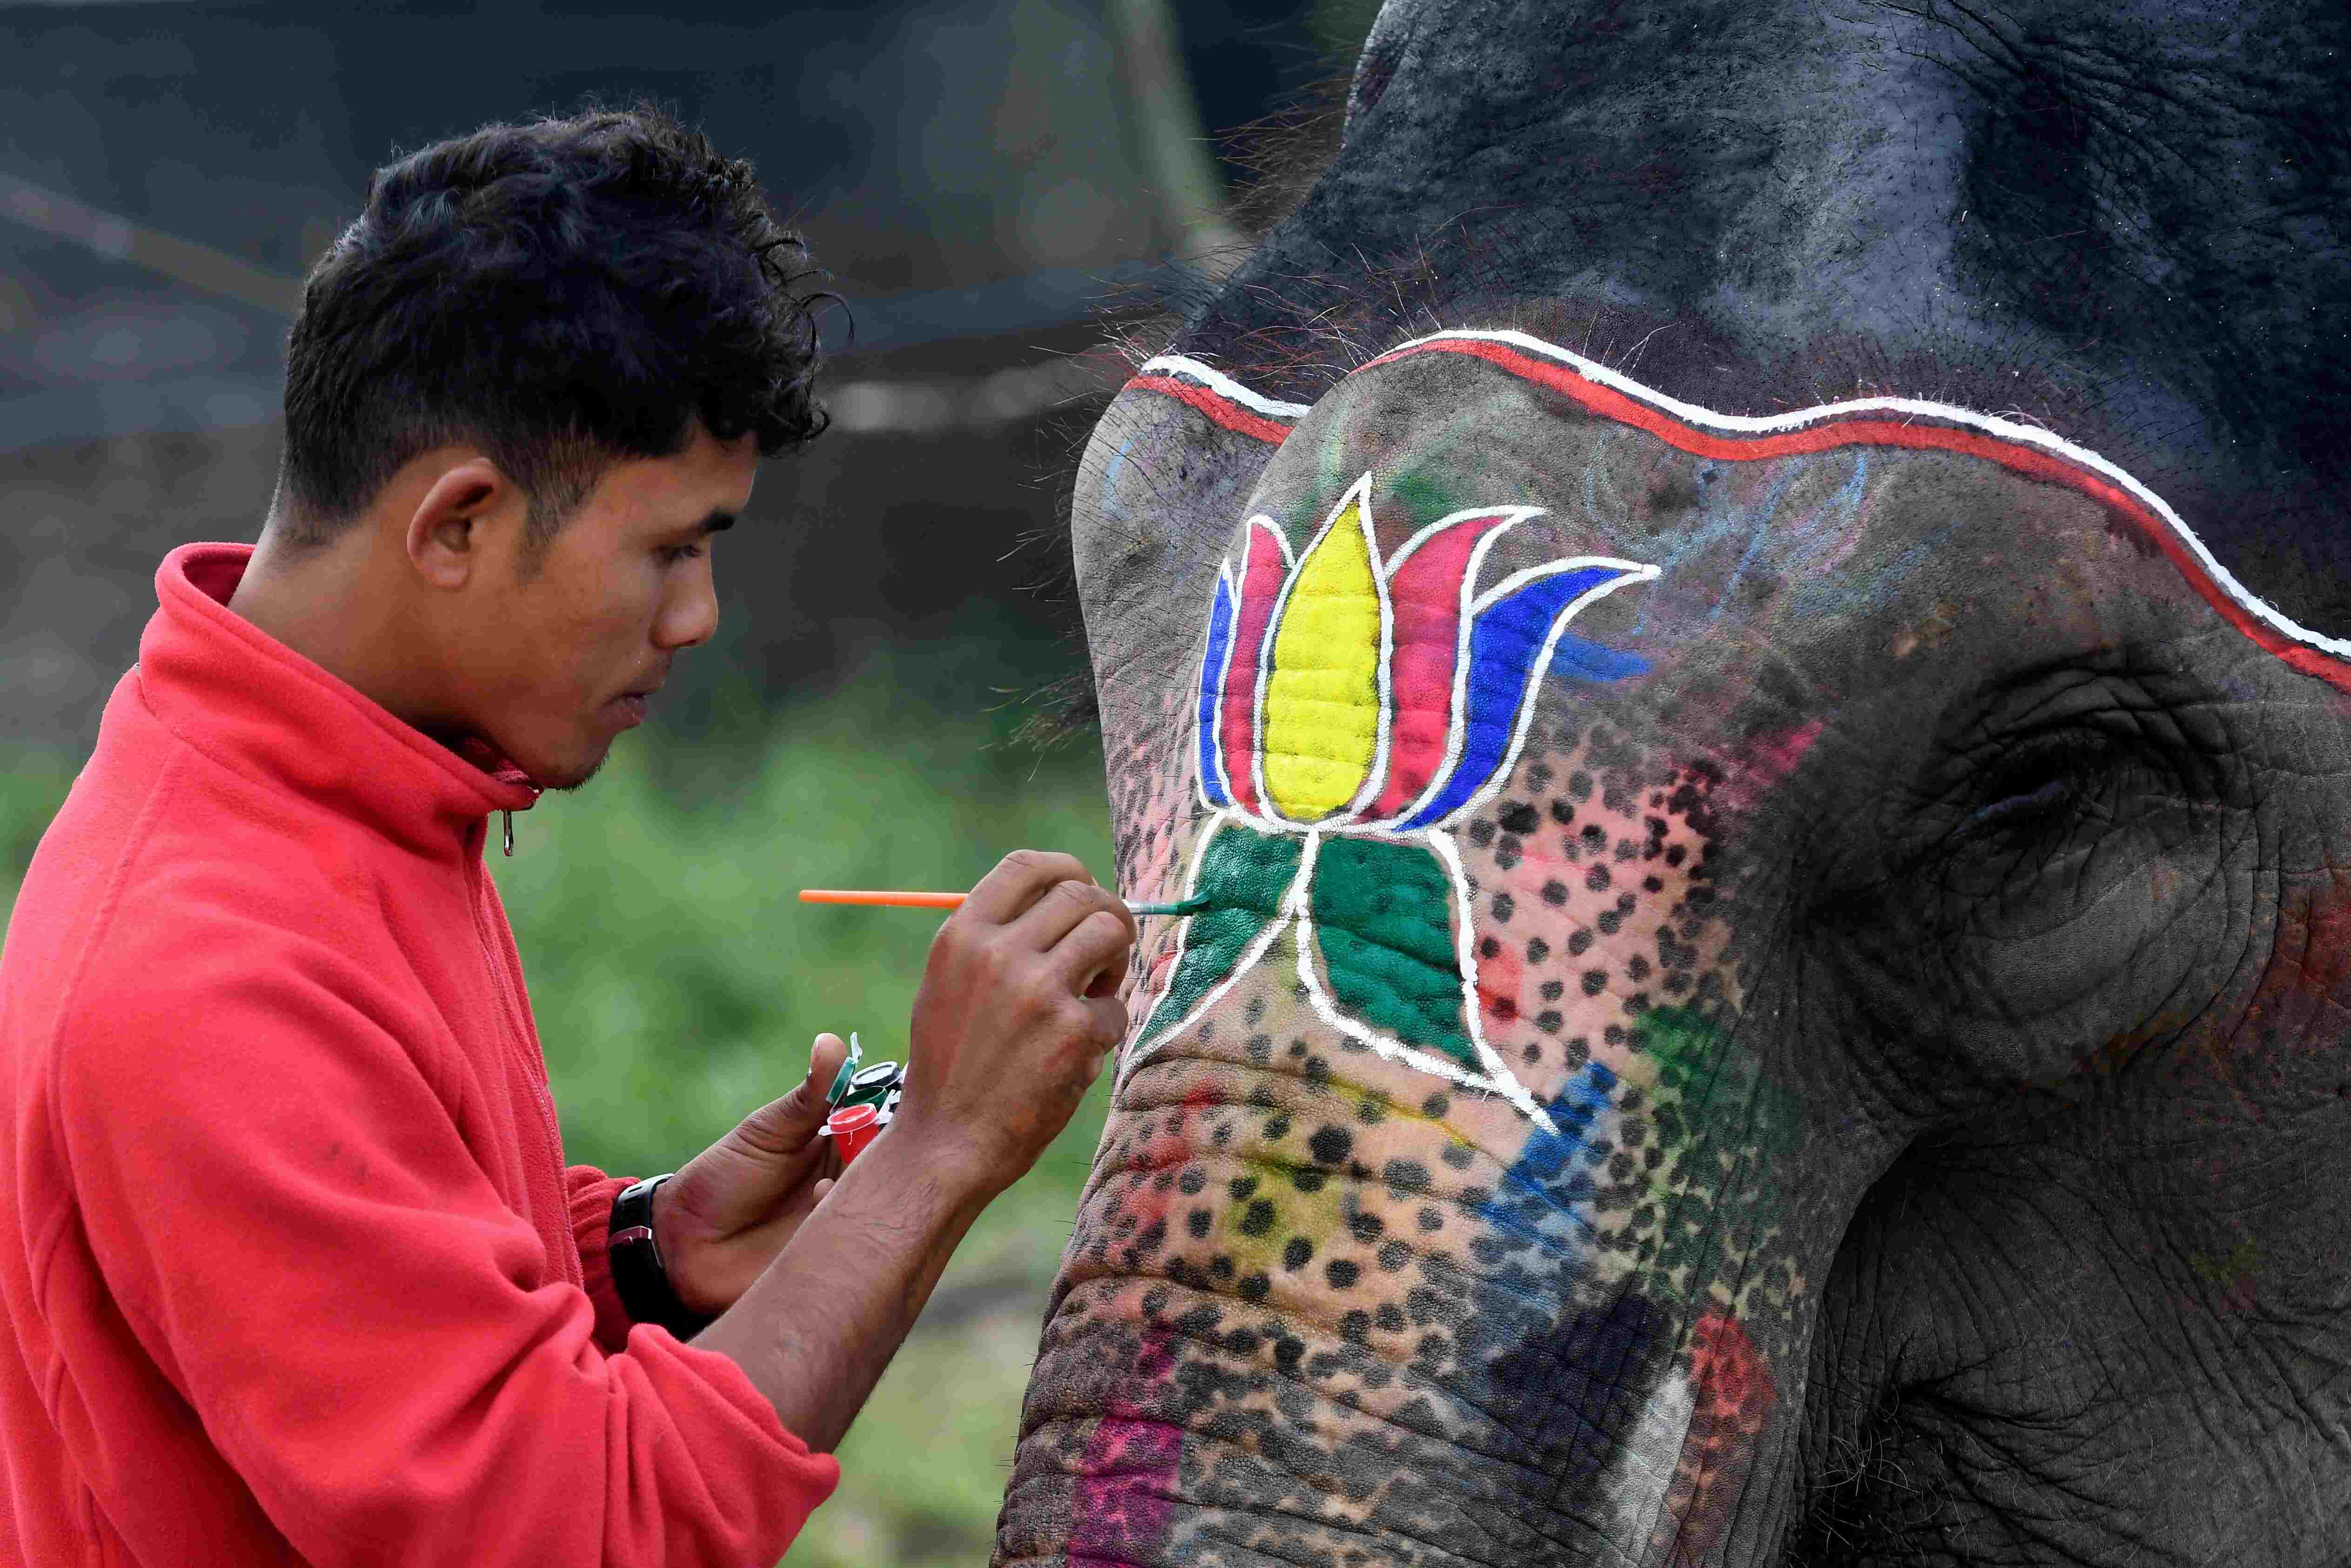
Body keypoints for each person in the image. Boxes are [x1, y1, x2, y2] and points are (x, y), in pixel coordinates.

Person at [0, 106, 1137, 1567]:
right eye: (672, 548)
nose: (697, 618)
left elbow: (382, 1311)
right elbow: (576, 1534)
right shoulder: (210, 973)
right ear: (458, 522)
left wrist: (641, 1258)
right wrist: (938, 1152)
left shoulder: (324, 785)